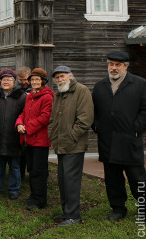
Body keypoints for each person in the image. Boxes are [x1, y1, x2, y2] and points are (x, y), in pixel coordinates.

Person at [92, 50, 146, 222]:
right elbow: (93, 112)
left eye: (117, 65)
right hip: (107, 140)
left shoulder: (139, 83)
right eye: (110, 64)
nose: (113, 68)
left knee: (137, 178)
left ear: (125, 66)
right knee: (112, 178)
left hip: (129, 140)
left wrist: (137, 127)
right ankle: (118, 209)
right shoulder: (100, 86)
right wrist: (97, 126)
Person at [49, 65, 94, 227]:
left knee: (72, 181)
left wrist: (72, 136)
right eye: (57, 77)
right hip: (61, 145)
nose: (60, 79)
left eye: (63, 76)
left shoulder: (82, 91)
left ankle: (74, 216)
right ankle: (67, 212)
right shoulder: (59, 94)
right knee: (63, 181)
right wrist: (53, 136)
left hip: (74, 145)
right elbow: (54, 119)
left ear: (70, 76)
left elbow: (85, 119)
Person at [15, 67, 54, 210]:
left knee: (39, 171)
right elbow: (24, 113)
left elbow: (45, 118)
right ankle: (33, 196)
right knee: (31, 169)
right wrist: (19, 123)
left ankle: (40, 200)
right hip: (28, 140)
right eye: (33, 79)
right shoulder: (30, 95)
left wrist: (27, 128)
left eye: (37, 79)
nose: (35, 82)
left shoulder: (47, 97)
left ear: (43, 81)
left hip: (40, 141)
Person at [0, 69, 26, 200]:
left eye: (9, 80)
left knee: (14, 167)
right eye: (4, 80)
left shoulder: (21, 97)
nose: (6, 82)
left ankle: (14, 190)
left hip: (14, 137)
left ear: (14, 83)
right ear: (0, 81)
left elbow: (25, 115)